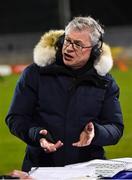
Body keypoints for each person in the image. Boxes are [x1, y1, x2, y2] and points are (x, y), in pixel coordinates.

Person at [5, 16, 124, 173]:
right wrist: (36, 135)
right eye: (67, 41)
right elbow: (15, 118)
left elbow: (115, 127)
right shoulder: (34, 74)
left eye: (78, 45)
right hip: (41, 169)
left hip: (87, 171)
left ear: (94, 49)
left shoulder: (106, 82)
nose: (68, 48)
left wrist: (95, 133)